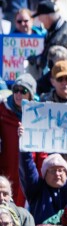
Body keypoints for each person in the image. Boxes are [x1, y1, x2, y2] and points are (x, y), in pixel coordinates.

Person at [0, 75, 35, 207]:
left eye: (23, 91)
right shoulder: (2, 109)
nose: (18, 94)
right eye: (16, 90)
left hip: (27, 171)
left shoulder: (39, 113)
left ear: (31, 94)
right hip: (6, 169)